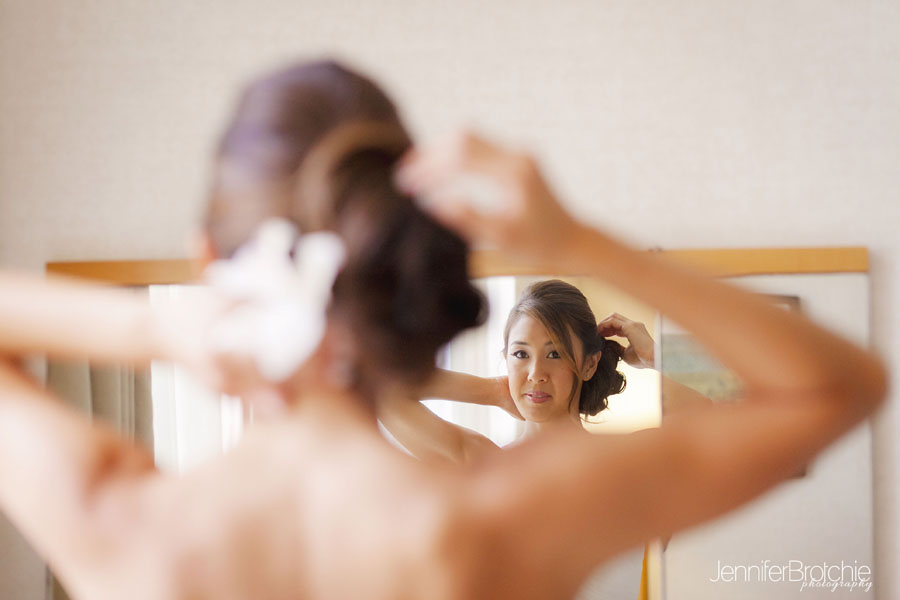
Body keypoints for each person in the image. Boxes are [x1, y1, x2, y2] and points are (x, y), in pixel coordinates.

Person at [0, 59, 886, 600]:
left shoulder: (128, 525)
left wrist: (163, 333)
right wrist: (579, 240)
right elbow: (841, 387)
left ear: (208, 261)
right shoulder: (498, 515)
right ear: (406, 262)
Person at [379, 281, 710, 465]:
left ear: (589, 363)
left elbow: (730, 416)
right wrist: (494, 391)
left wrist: (658, 358)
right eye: (521, 354)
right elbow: (382, 392)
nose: (536, 372)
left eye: (554, 353)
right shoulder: (483, 465)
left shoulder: (626, 463)